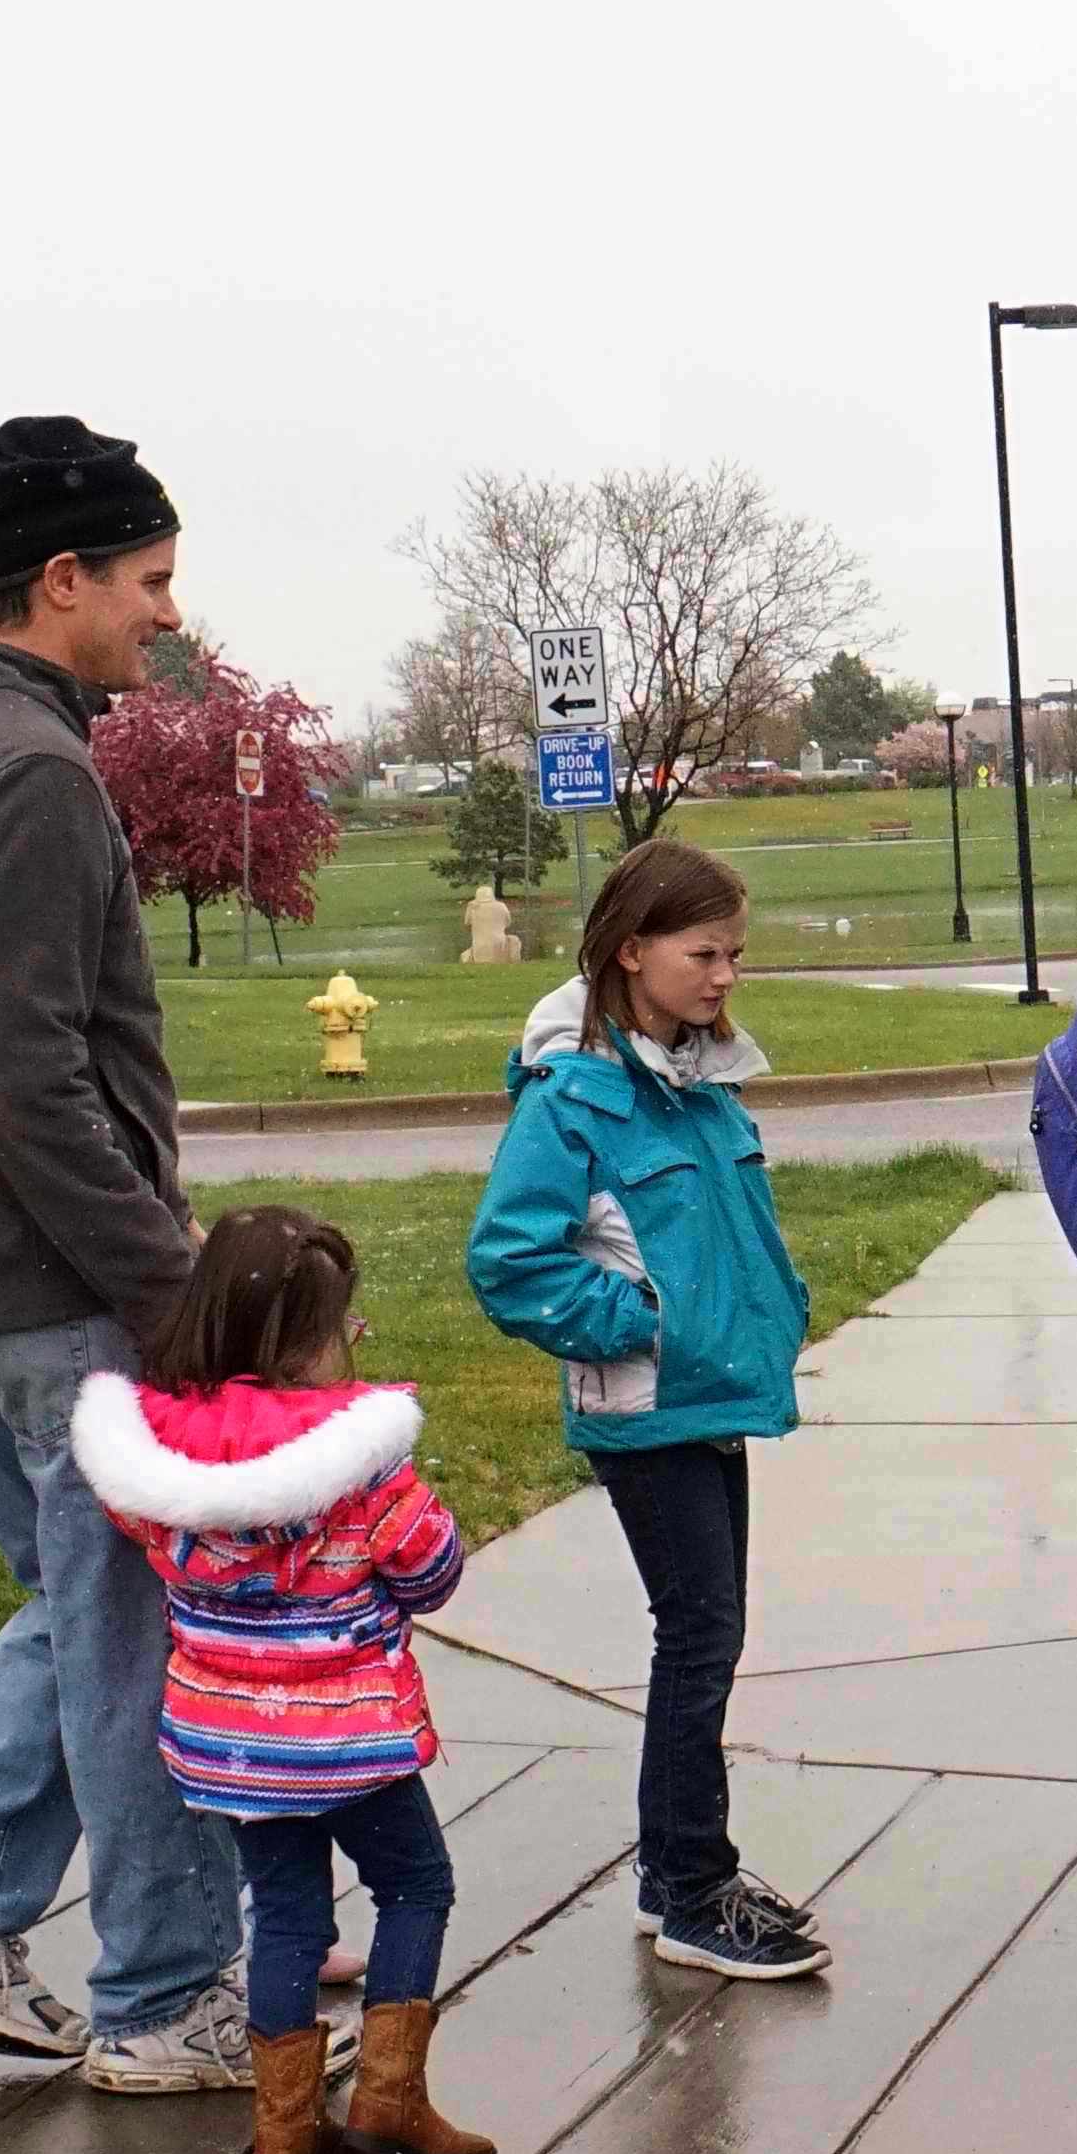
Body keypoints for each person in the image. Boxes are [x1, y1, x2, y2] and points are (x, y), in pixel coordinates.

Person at [0, 417, 266, 2092]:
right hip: (56, 1296)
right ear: (63, 578)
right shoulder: (25, 772)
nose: (166, 611)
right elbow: (24, 1073)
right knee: (142, 1637)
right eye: (148, 579)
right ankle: (164, 1996)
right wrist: (165, 1282)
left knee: (76, 1614)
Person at [465, 839, 827, 1984]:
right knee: (699, 1632)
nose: (724, 976)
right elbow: (508, 1260)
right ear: (631, 949)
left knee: (708, 1632)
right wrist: (638, 1320)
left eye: (735, 954)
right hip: (651, 1407)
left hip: (712, 1397)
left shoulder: (698, 1078)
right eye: (702, 951)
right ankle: (690, 1886)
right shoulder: (576, 1097)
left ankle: (679, 1872)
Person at [74, 1207, 491, 2154]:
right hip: (349, 1742)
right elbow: (431, 1572)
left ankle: (284, 2126)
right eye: (343, 1322)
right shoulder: (360, 1465)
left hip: (228, 1746)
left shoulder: (157, 1464)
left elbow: (159, 1552)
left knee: (291, 1915)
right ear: (307, 1339)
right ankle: (390, 2091)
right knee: (415, 1886)